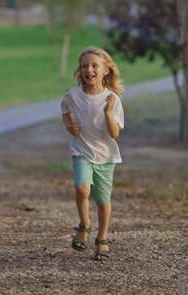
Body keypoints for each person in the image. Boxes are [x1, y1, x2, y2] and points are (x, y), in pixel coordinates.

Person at [60, 47, 124, 260]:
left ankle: (102, 238)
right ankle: (84, 224)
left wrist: (107, 113)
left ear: (105, 70)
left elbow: (115, 134)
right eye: (85, 66)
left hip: (106, 156)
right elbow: (65, 111)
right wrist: (70, 125)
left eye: (94, 65)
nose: (89, 70)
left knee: (103, 200)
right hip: (81, 151)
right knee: (81, 187)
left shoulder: (112, 99)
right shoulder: (73, 95)